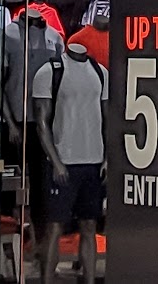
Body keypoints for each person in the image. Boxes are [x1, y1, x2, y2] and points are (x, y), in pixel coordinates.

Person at [32, 38, 108, 284]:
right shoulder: (49, 72)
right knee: (54, 227)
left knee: (89, 226)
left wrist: (106, 157)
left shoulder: (100, 72)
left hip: (93, 162)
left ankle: (89, 279)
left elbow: (108, 119)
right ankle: (46, 279)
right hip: (63, 162)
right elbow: (41, 123)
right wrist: (56, 161)